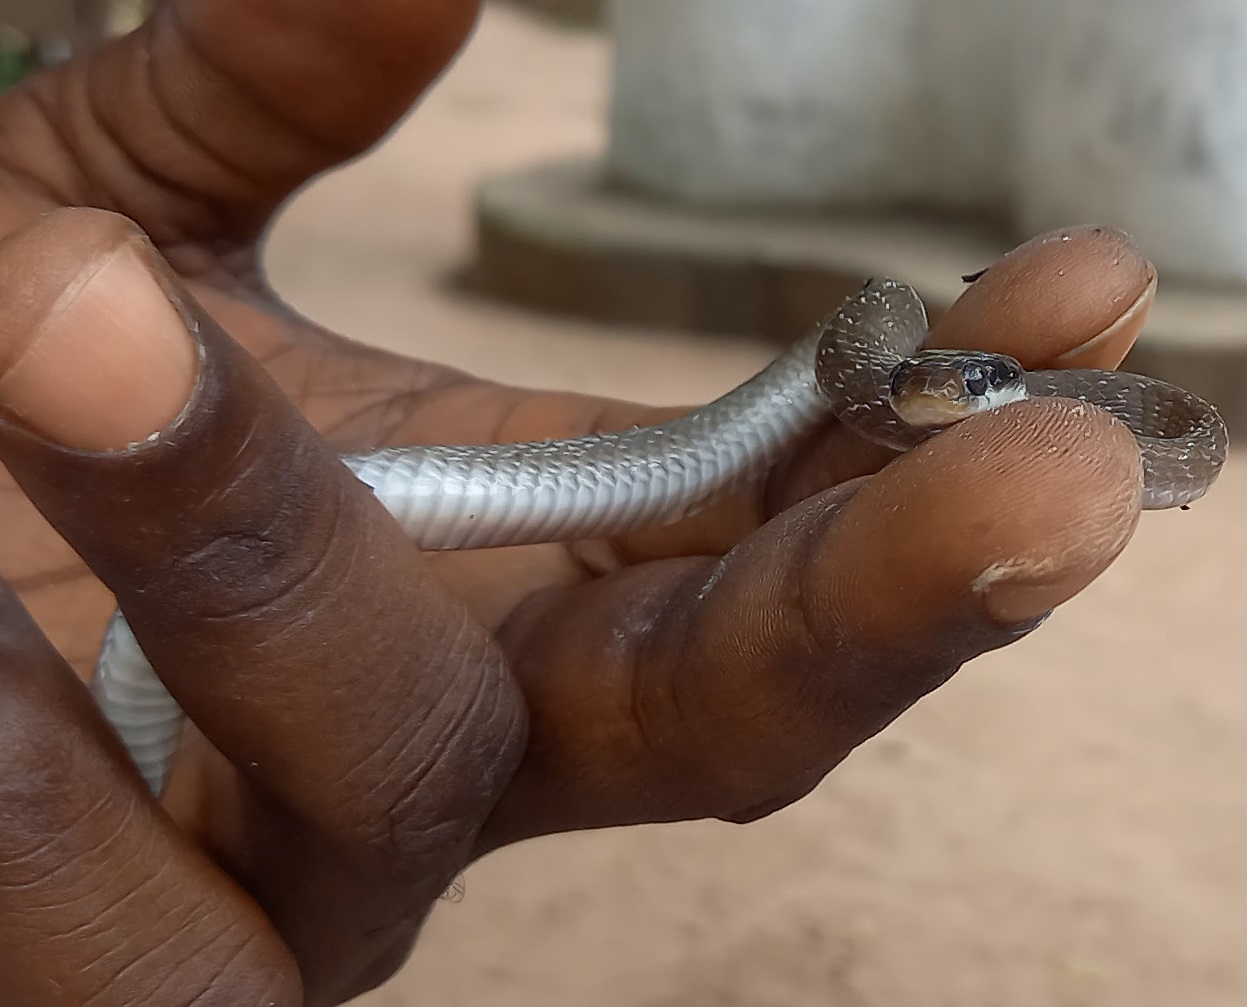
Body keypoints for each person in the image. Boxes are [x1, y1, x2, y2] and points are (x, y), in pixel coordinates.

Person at [0, 3, 1150, 1004]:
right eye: (963, 382)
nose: (978, 394)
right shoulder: (860, 352)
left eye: (988, 390)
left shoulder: (899, 356)